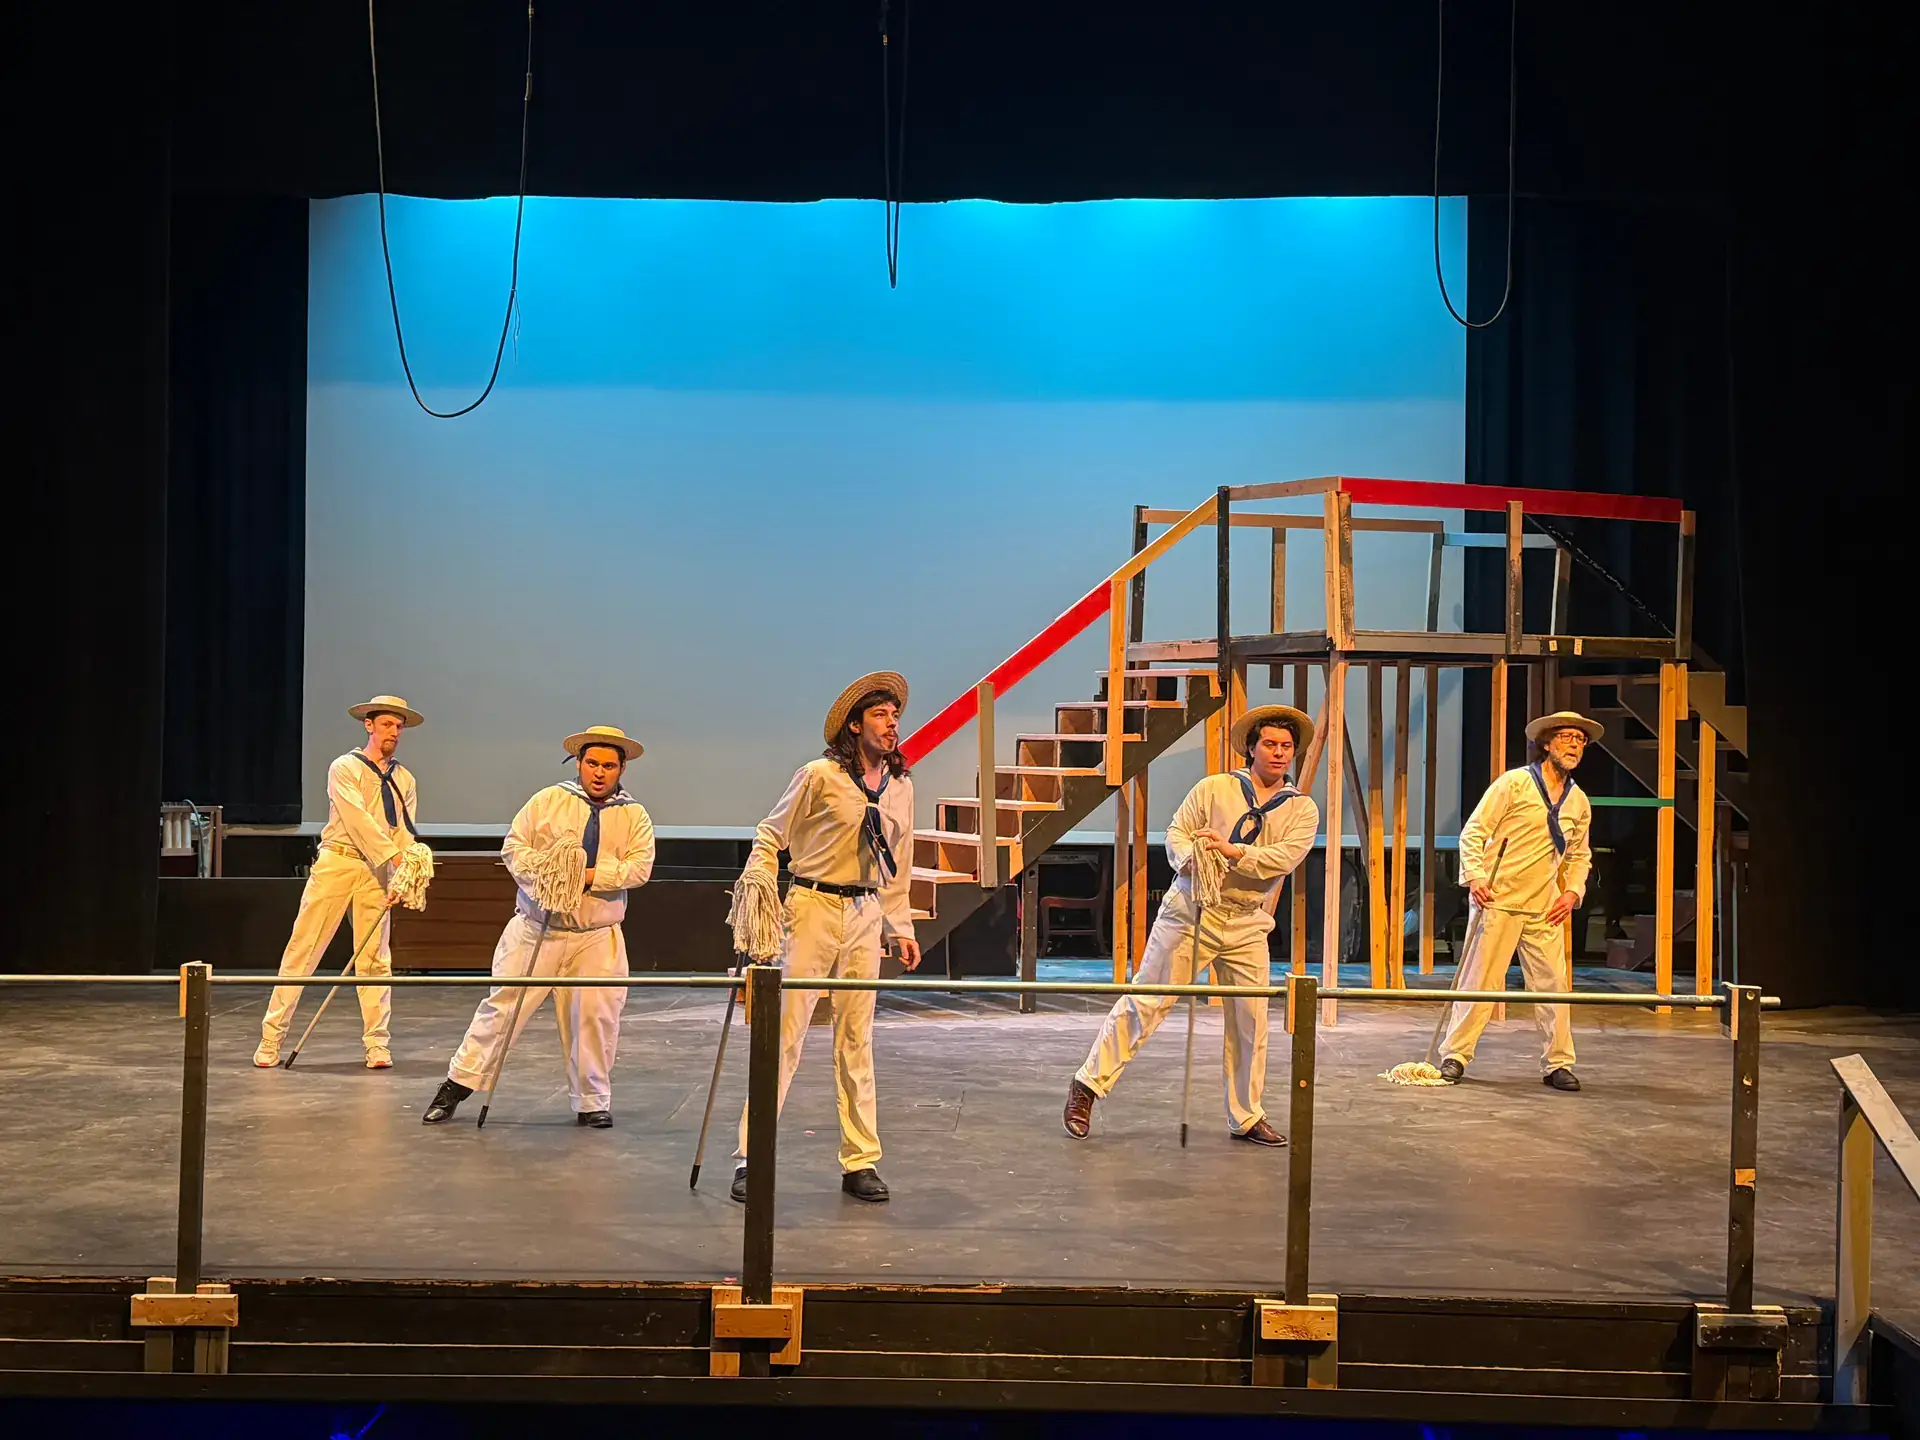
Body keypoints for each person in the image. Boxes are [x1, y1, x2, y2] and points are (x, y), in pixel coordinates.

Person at [1064, 704, 1320, 1146]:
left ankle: (1246, 1114)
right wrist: (1193, 859)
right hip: (1192, 911)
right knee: (1147, 1001)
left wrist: (1233, 851)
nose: (1279, 753)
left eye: (1286, 747)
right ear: (1252, 748)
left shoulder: (1301, 810)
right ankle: (1087, 1085)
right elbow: (1178, 832)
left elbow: (1284, 858)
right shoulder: (1215, 789)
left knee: (1251, 1020)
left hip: (1245, 919)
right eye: (1271, 744)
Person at [730, 673, 922, 1205]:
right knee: (784, 1036)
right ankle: (752, 1157)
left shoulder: (902, 787)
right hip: (811, 906)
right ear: (855, 725)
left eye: (895, 716)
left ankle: (860, 1161)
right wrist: (758, 895)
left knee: (857, 1039)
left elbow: (898, 869)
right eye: (881, 715)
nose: (892, 724)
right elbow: (771, 835)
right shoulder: (819, 775)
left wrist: (898, 927)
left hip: (863, 910)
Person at [422, 725, 655, 1128]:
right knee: (503, 1009)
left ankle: (591, 1101)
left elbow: (639, 868)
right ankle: (457, 1085)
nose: (600, 773)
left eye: (610, 766)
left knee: (596, 1017)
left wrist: (583, 875)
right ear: (579, 763)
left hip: (596, 936)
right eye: (593, 763)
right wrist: (552, 876)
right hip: (538, 927)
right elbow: (514, 847)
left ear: (622, 770)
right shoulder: (549, 800)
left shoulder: (634, 815)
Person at [255, 695, 424, 1071]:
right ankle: (271, 1038)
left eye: (398, 726)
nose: (393, 731)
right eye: (386, 724)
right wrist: (394, 857)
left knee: (376, 960)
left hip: (377, 872)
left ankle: (377, 1044)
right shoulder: (345, 768)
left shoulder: (404, 779)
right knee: (303, 950)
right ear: (369, 725)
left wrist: (404, 872)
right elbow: (358, 820)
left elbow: (404, 832)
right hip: (339, 861)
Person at [1437, 710, 1600, 1092]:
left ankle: (1558, 1063)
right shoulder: (1514, 784)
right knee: (1480, 982)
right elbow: (1474, 832)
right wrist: (1476, 877)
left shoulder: (1578, 801)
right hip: (1499, 899)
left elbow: (1579, 855)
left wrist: (1573, 892)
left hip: (1545, 906)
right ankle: (1456, 1054)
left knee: (1554, 987)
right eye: (1566, 737)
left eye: (1580, 740)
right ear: (1546, 743)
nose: (1574, 745)